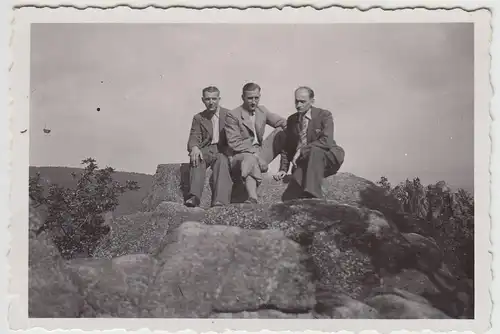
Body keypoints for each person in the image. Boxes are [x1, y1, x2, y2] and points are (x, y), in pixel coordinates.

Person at [273, 86, 345, 199]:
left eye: (303, 101)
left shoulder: (324, 115)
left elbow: (327, 141)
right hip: (305, 161)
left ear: (312, 101)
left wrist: (302, 150)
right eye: (296, 101)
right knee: (295, 185)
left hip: (327, 156)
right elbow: (288, 147)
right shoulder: (292, 120)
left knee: (315, 151)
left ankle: (314, 195)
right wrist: (283, 169)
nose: (298, 105)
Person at [225, 82, 287, 204]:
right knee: (250, 159)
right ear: (243, 97)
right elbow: (234, 143)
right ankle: (252, 197)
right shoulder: (233, 115)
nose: (253, 102)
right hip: (240, 155)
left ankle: (283, 169)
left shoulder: (262, 110)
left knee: (282, 132)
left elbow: (282, 122)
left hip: (259, 152)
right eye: (250, 98)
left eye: (256, 98)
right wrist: (256, 155)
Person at [185, 86, 233, 207]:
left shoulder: (229, 115)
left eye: (214, 99)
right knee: (196, 158)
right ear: (203, 100)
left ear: (219, 99)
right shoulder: (199, 118)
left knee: (222, 162)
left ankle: (220, 200)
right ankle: (194, 197)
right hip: (206, 150)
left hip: (223, 150)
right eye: (207, 99)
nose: (211, 102)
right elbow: (194, 136)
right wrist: (194, 147)